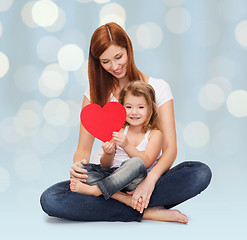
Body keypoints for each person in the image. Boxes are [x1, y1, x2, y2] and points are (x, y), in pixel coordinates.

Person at [40, 22, 212, 223]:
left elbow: (170, 149)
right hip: (104, 174)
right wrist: (78, 168)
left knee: (199, 173)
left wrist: (149, 181)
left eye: (118, 57)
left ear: (128, 49)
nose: (114, 66)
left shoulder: (158, 88)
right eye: (105, 61)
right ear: (97, 62)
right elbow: (83, 149)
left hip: (143, 176)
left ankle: (129, 201)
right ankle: (143, 210)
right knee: (50, 199)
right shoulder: (95, 91)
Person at [70, 81, 163, 211]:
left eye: (141, 107)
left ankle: (96, 191)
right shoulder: (119, 130)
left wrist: (126, 145)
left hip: (133, 181)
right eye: (129, 107)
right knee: (81, 169)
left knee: (136, 163)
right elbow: (105, 166)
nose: (134, 112)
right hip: (111, 176)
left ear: (151, 110)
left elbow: (146, 162)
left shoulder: (154, 134)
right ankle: (119, 197)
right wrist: (108, 153)